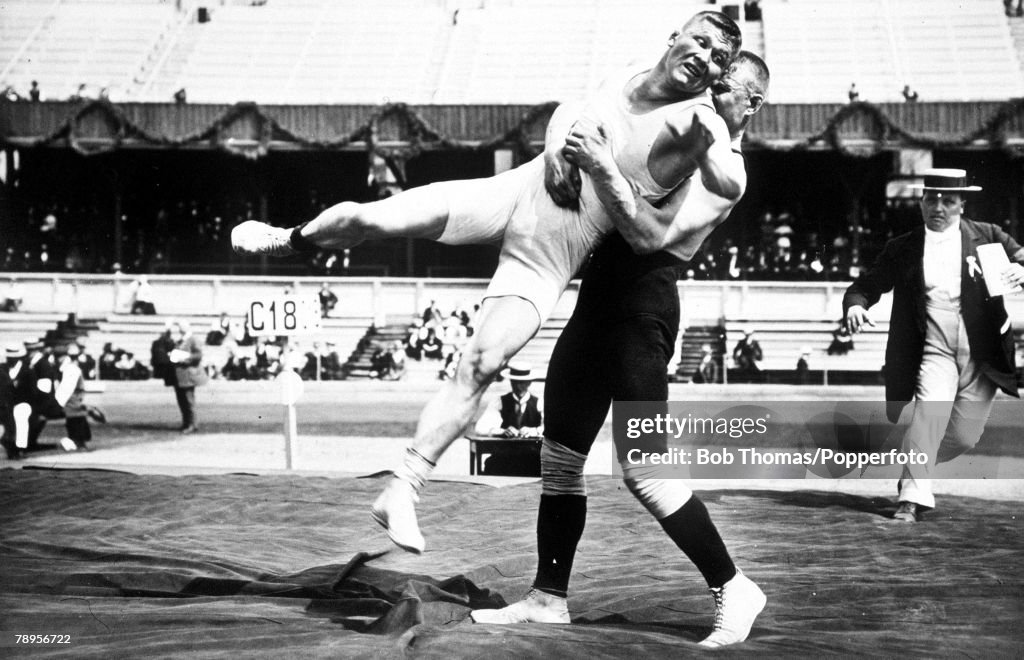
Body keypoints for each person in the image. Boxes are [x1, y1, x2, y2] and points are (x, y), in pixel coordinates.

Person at [233, 10, 745, 555]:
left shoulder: (698, 122)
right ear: (675, 38)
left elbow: (729, 178)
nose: (705, 59)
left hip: (551, 252)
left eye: (719, 59)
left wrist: (712, 157)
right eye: (701, 43)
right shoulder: (631, 69)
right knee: (370, 219)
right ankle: (291, 238)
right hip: (514, 191)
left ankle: (404, 486)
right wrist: (554, 148)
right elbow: (572, 110)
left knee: (482, 360)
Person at [470, 51, 770, 648]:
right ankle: (548, 597)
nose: (708, 97)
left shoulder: (725, 168)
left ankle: (734, 586)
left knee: (646, 468)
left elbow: (645, 234)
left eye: (724, 89)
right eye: (708, 85)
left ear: (751, 104)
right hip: (596, 304)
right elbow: (573, 112)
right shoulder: (676, 125)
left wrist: (602, 165)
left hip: (642, 309)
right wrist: (562, 147)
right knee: (559, 460)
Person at [843, 168, 1024, 522]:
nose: (938, 207)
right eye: (931, 199)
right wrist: (855, 306)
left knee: (965, 436)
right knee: (929, 415)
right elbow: (866, 285)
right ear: (921, 202)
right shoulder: (903, 247)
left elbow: (1023, 259)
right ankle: (910, 499)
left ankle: (914, 462)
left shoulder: (988, 237)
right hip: (933, 344)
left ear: (961, 205)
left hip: (983, 347)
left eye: (948, 200)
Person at [474, 362, 544, 438]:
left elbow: (551, 429)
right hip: (506, 448)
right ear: (511, 382)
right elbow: (480, 428)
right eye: (515, 382)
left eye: (522, 382)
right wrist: (502, 431)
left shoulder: (539, 403)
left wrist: (534, 431)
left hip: (532, 448)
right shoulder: (499, 401)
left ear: (529, 382)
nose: (518, 387)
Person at [167, 320, 206, 433]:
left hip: (188, 374)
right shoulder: (181, 340)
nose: (180, 328)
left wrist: (184, 359)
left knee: (188, 401)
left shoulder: (193, 339)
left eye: (181, 326)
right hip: (180, 375)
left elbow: (198, 355)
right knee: (182, 401)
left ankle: (192, 424)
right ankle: (186, 423)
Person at [54, 344, 91, 452]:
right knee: (73, 420)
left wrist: (58, 402)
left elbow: (67, 388)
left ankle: (80, 442)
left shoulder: (71, 368)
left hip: (73, 397)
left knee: (76, 419)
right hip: (71, 398)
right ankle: (78, 440)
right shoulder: (67, 367)